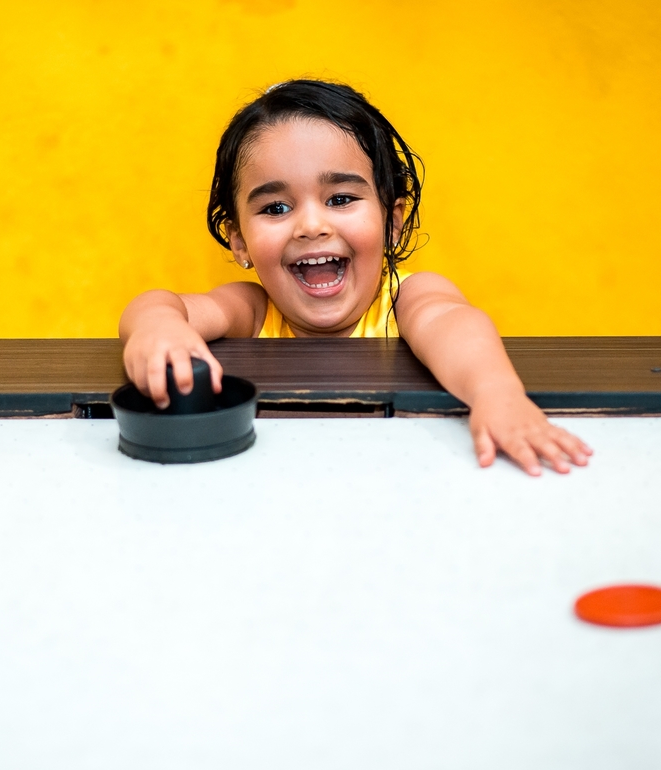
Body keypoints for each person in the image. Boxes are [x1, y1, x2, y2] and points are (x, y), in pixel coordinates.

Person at [118, 79, 592, 476]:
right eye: (276, 208)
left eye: (341, 199)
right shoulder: (252, 310)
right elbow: (162, 306)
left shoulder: (406, 298)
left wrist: (495, 392)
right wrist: (158, 328)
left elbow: (452, 323)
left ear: (392, 222)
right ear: (239, 241)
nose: (311, 225)